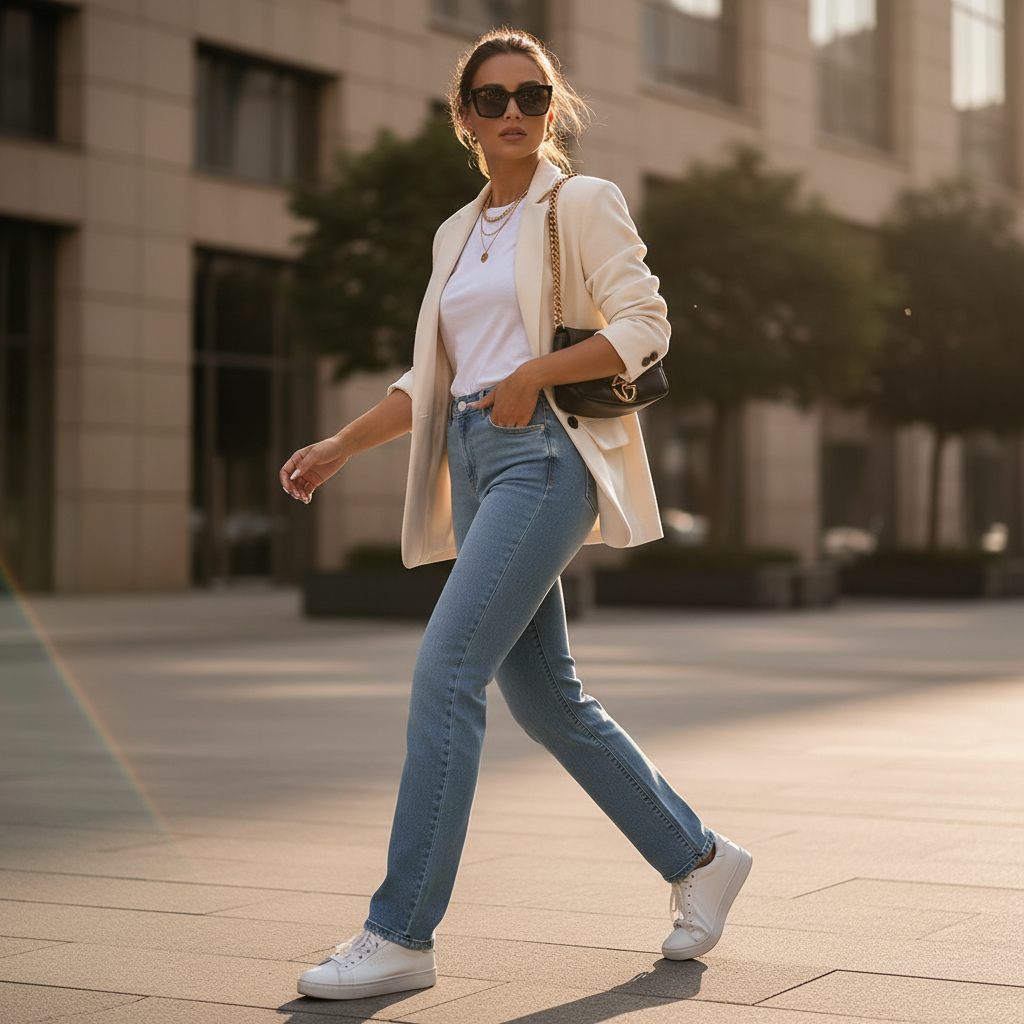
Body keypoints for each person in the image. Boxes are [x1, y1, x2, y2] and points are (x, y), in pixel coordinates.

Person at [280, 28, 751, 1002]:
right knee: (547, 701)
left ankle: (400, 933)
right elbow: (433, 377)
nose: (511, 115)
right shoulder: (456, 233)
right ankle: (700, 858)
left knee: (446, 671)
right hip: (474, 457)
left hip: (544, 455)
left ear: (552, 108)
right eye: (490, 100)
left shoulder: (579, 203)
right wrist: (337, 446)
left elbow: (643, 324)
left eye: (530, 97)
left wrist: (538, 368)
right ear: (463, 117)